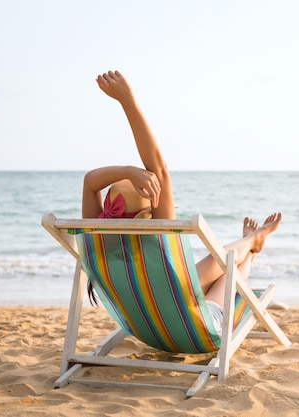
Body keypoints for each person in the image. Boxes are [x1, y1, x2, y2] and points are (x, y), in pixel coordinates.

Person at [82, 70, 282, 332]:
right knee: (228, 268)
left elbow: (89, 182)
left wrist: (127, 171)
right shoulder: (159, 234)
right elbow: (160, 168)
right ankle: (253, 244)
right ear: (149, 215)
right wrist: (128, 101)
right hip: (197, 326)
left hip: (146, 325)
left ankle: (252, 243)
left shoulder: (97, 239)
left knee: (210, 269)